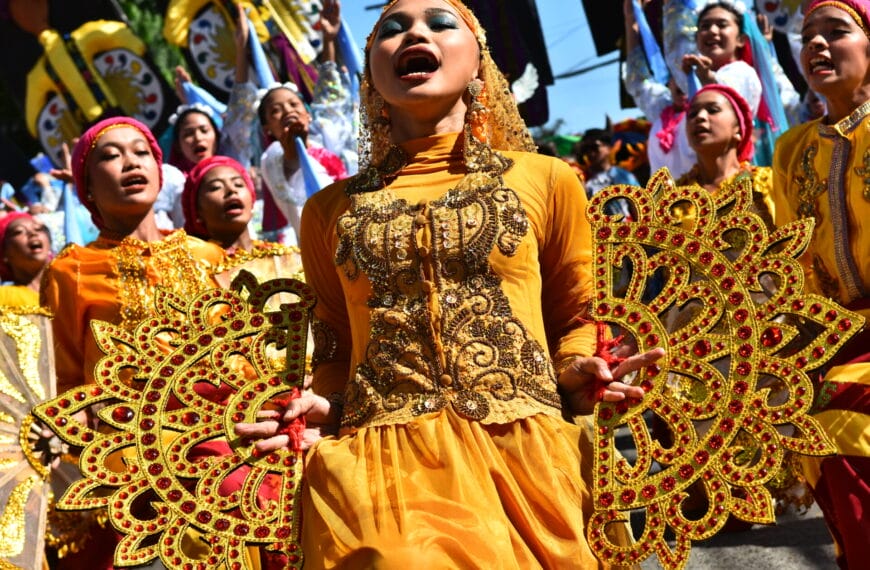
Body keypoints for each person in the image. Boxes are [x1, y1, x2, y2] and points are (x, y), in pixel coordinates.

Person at [236, 0, 663, 567]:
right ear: (372, 75)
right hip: (382, 466)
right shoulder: (328, 210)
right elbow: (336, 342)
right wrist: (327, 405)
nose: (414, 32)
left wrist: (576, 368)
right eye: (391, 29)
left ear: (478, 62)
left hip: (526, 454)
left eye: (439, 23)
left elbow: (576, 317)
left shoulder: (549, 180)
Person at [770, 0, 870, 566]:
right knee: (815, 437)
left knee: (838, 423)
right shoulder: (793, 150)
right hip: (835, 334)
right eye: (808, 37)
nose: (817, 46)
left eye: (837, 32)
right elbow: (792, 264)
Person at [257, 0, 354, 246]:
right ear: (267, 127)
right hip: (317, 248)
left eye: (293, 104)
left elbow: (329, 100)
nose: (287, 111)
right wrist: (292, 155)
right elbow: (294, 195)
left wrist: (329, 39)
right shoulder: (273, 158)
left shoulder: (329, 137)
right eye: (275, 111)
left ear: (308, 113)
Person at [181, 155, 304, 292]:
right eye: (216, 187)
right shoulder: (194, 268)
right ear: (196, 210)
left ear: (252, 200)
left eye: (238, 184)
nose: (231, 190)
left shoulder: (286, 258)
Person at [675, 83, 774, 229]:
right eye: (692, 114)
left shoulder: (768, 182)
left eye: (712, 110)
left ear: (738, 129)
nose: (700, 117)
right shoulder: (672, 196)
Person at [578, 128, 637, 218]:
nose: (590, 152)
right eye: (586, 149)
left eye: (594, 147)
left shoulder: (624, 176)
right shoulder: (582, 178)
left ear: (609, 148)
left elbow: (638, 208)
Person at [0, 212, 52, 307]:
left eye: (38, 229)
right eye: (19, 231)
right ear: (4, 253)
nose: (33, 233)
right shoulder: (3, 298)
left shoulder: (72, 285)